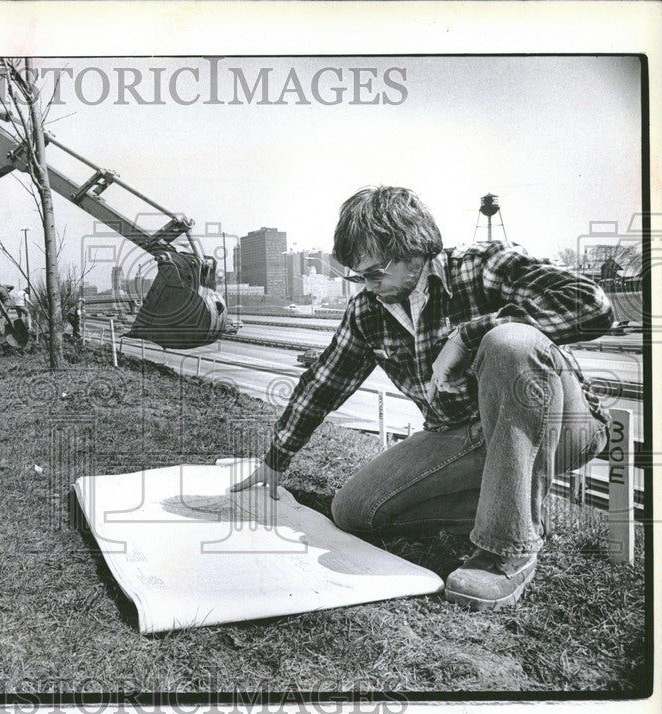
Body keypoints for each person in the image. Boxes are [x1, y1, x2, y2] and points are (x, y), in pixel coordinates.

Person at [232, 186, 615, 611]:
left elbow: (591, 305)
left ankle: (508, 548)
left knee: (511, 342)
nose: (367, 285)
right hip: (461, 435)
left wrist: (467, 336)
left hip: (560, 425)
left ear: (411, 248)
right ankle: (504, 503)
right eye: (357, 276)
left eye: (375, 272)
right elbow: (325, 381)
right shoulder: (367, 309)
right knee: (355, 511)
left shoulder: (483, 265)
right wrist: (274, 461)